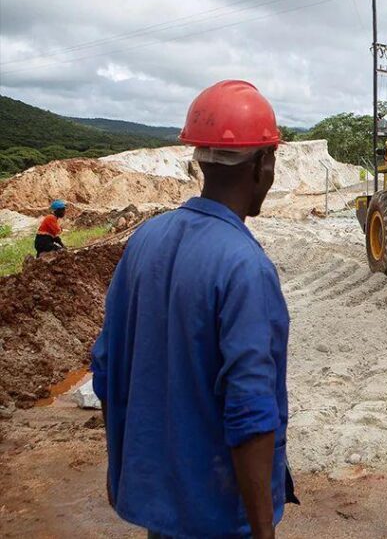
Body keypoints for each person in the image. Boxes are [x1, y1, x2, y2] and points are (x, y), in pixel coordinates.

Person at [91, 80, 296, 539]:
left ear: (200, 159)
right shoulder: (246, 268)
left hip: (162, 511)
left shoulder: (144, 241)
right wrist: (263, 532)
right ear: (263, 164)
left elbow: (105, 370)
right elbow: (250, 413)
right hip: (218, 514)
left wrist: (117, 470)